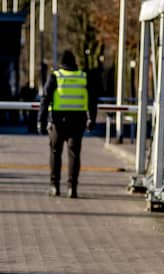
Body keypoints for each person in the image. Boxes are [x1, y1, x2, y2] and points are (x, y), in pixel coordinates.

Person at [38, 50, 96, 198]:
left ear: (61, 63)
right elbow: (92, 100)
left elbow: (45, 98)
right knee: (74, 154)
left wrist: (41, 120)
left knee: (56, 153)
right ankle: (72, 188)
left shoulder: (56, 76)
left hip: (58, 121)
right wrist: (92, 119)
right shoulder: (83, 76)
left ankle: (55, 186)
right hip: (78, 120)